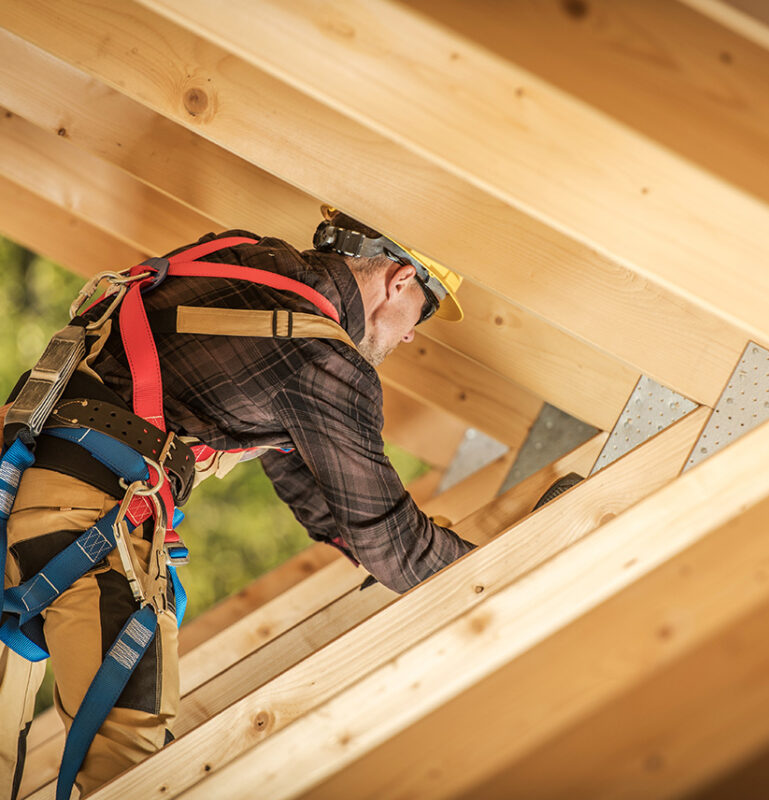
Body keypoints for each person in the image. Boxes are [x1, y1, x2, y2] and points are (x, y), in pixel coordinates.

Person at [0, 207, 475, 798]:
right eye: (422, 315)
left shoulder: (236, 257)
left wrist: (346, 538)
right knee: (129, 772)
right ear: (400, 278)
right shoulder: (323, 361)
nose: (409, 334)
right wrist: (495, 570)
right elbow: (396, 544)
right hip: (89, 521)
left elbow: (288, 454)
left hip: (18, 486)